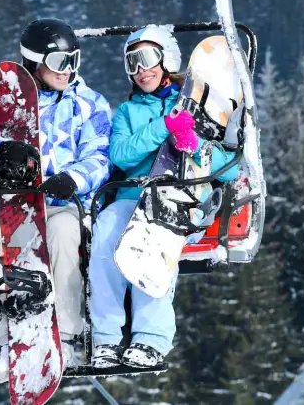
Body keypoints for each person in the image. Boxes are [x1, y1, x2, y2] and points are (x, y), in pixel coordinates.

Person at [0, 18, 113, 384]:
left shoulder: (89, 104)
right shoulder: (5, 107)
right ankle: (9, 336)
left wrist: (72, 178)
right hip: (19, 208)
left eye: (74, 60)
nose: (67, 70)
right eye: (59, 62)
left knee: (63, 234)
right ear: (34, 61)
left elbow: (101, 158)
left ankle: (67, 337)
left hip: (69, 205)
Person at [88, 25, 239, 369]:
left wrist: (194, 144)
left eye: (147, 59)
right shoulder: (127, 112)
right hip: (132, 197)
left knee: (156, 233)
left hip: (182, 197)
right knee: (107, 230)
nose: (141, 70)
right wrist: (163, 128)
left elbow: (228, 170)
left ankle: (151, 338)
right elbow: (121, 154)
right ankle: (106, 337)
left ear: (166, 58)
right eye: (132, 63)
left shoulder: (195, 105)